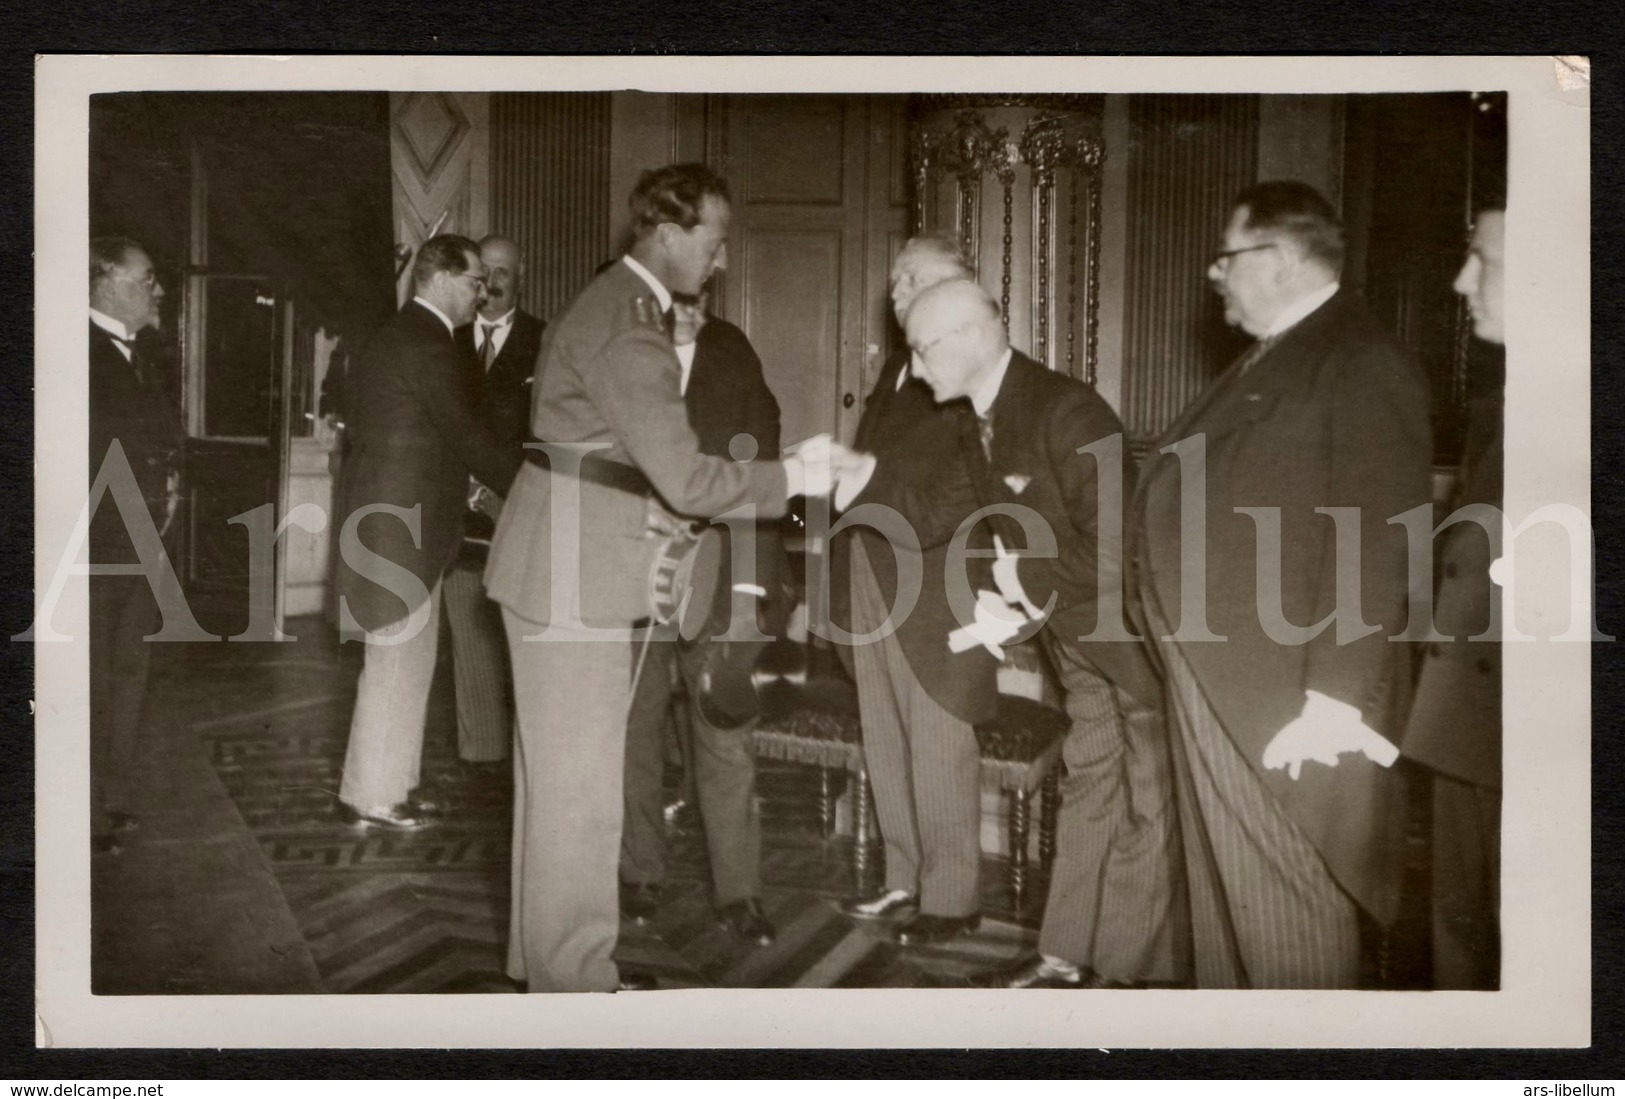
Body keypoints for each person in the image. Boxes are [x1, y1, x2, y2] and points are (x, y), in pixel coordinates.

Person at [483, 163, 849, 993]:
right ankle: (574, 985)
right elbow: (686, 478)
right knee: (580, 797)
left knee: (554, 784)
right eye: (715, 240)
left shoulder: (618, 302)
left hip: (562, 562)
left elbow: (605, 457)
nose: (720, 260)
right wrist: (795, 475)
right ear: (671, 230)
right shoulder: (631, 322)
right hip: (570, 578)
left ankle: (542, 966)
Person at [1127, 181, 1433, 988]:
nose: (1213, 273)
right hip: (1218, 677)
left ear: (1284, 257)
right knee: (1228, 914)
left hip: (1284, 701)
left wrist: (1332, 702)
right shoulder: (1273, 357)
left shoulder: (1360, 360)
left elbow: (1375, 537)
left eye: (1227, 256)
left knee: (1282, 917)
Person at [899, 279, 1189, 990]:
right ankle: (1063, 954)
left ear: (967, 336)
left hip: (1134, 646)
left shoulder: (1066, 411)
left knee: (1147, 806)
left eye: (920, 347)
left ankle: (1120, 976)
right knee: (1088, 785)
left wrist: (1022, 586)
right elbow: (946, 511)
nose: (913, 366)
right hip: (1079, 642)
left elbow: (1120, 549)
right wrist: (851, 491)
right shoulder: (978, 416)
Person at [826, 236, 999, 947]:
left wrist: (862, 484)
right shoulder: (900, 369)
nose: (894, 289)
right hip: (871, 563)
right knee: (886, 732)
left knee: (936, 737)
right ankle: (904, 876)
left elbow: (964, 488)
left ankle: (951, 896)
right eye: (894, 277)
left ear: (959, 282)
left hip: (934, 577)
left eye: (911, 276)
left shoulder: (972, 365)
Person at [618, 284, 789, 946]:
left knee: (724, 731)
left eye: (694, 300)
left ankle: (738, 891)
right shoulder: (623, 356)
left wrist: (751, 595)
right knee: (633, 728)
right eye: (670, 298)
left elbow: (762, 484)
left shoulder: (734, 357)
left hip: (718, 583)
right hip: (632, 579)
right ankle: (639, 871)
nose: (683, 312)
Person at [334, 234, 521, 830]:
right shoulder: (428, 342)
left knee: (406, 665)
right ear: (439, 278)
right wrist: (531, 486)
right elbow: (467, 435)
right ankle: (372, 796)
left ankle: (392, 787)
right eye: (474, 282)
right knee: (396, 667)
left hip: (397, 527)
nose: (483, 293)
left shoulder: (402, 335)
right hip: (400, 534)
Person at [1401, 206, 1505, 989]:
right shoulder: (1497, 410)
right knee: (1463, 947)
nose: (1459, 279)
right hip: (1470, 730)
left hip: (1539, 742)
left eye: (1483, 260)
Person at [87, 236, 184, 854]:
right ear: (106, 282)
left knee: (127, 671)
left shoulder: (145, 353)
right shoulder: (68, 351)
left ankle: (109, 802)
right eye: (147, 278)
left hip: (141, 540)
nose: (159, 290)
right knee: (91, 677)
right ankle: (84, 809)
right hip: (94, 548)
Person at [443, 234, 544, 769]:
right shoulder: (447, 339)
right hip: (456, 511)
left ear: (520, 273)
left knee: (521, 636)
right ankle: (480, 757)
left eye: (506, 270)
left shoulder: (545, 341)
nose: (496, 281)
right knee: (467, 631)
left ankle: (525, 753)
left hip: (518, 506)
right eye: (487, 271)